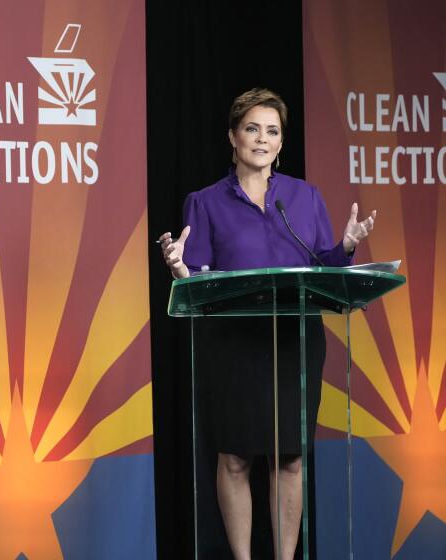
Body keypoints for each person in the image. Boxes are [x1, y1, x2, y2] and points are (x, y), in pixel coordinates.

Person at [159, 88, 376, 560]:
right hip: (233, 343)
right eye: (252, 129)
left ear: (281, 143)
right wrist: (179, 268)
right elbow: (197, 276)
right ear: (233, 137)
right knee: (235, 457)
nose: (262, 139)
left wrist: (348, 248)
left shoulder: (304, 196)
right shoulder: (205, 202)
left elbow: (322, 266)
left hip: (295, 340)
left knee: (291, 456)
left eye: (272, 131)